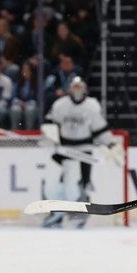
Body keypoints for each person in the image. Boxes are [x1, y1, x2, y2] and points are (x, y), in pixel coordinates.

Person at [42, 77, 109, 228]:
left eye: (80, 86)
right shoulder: (60, 104)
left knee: (83, 184)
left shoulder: (92, 105)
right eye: (75, 86)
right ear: (70, 88)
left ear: (84, 88)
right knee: (56, 182)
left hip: (85, 150)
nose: (77, 89)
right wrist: (51, 141)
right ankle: (56, 214)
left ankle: (81, 213)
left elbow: (100, 129)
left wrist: (109, 143)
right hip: (64, 149)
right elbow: (50, 125)